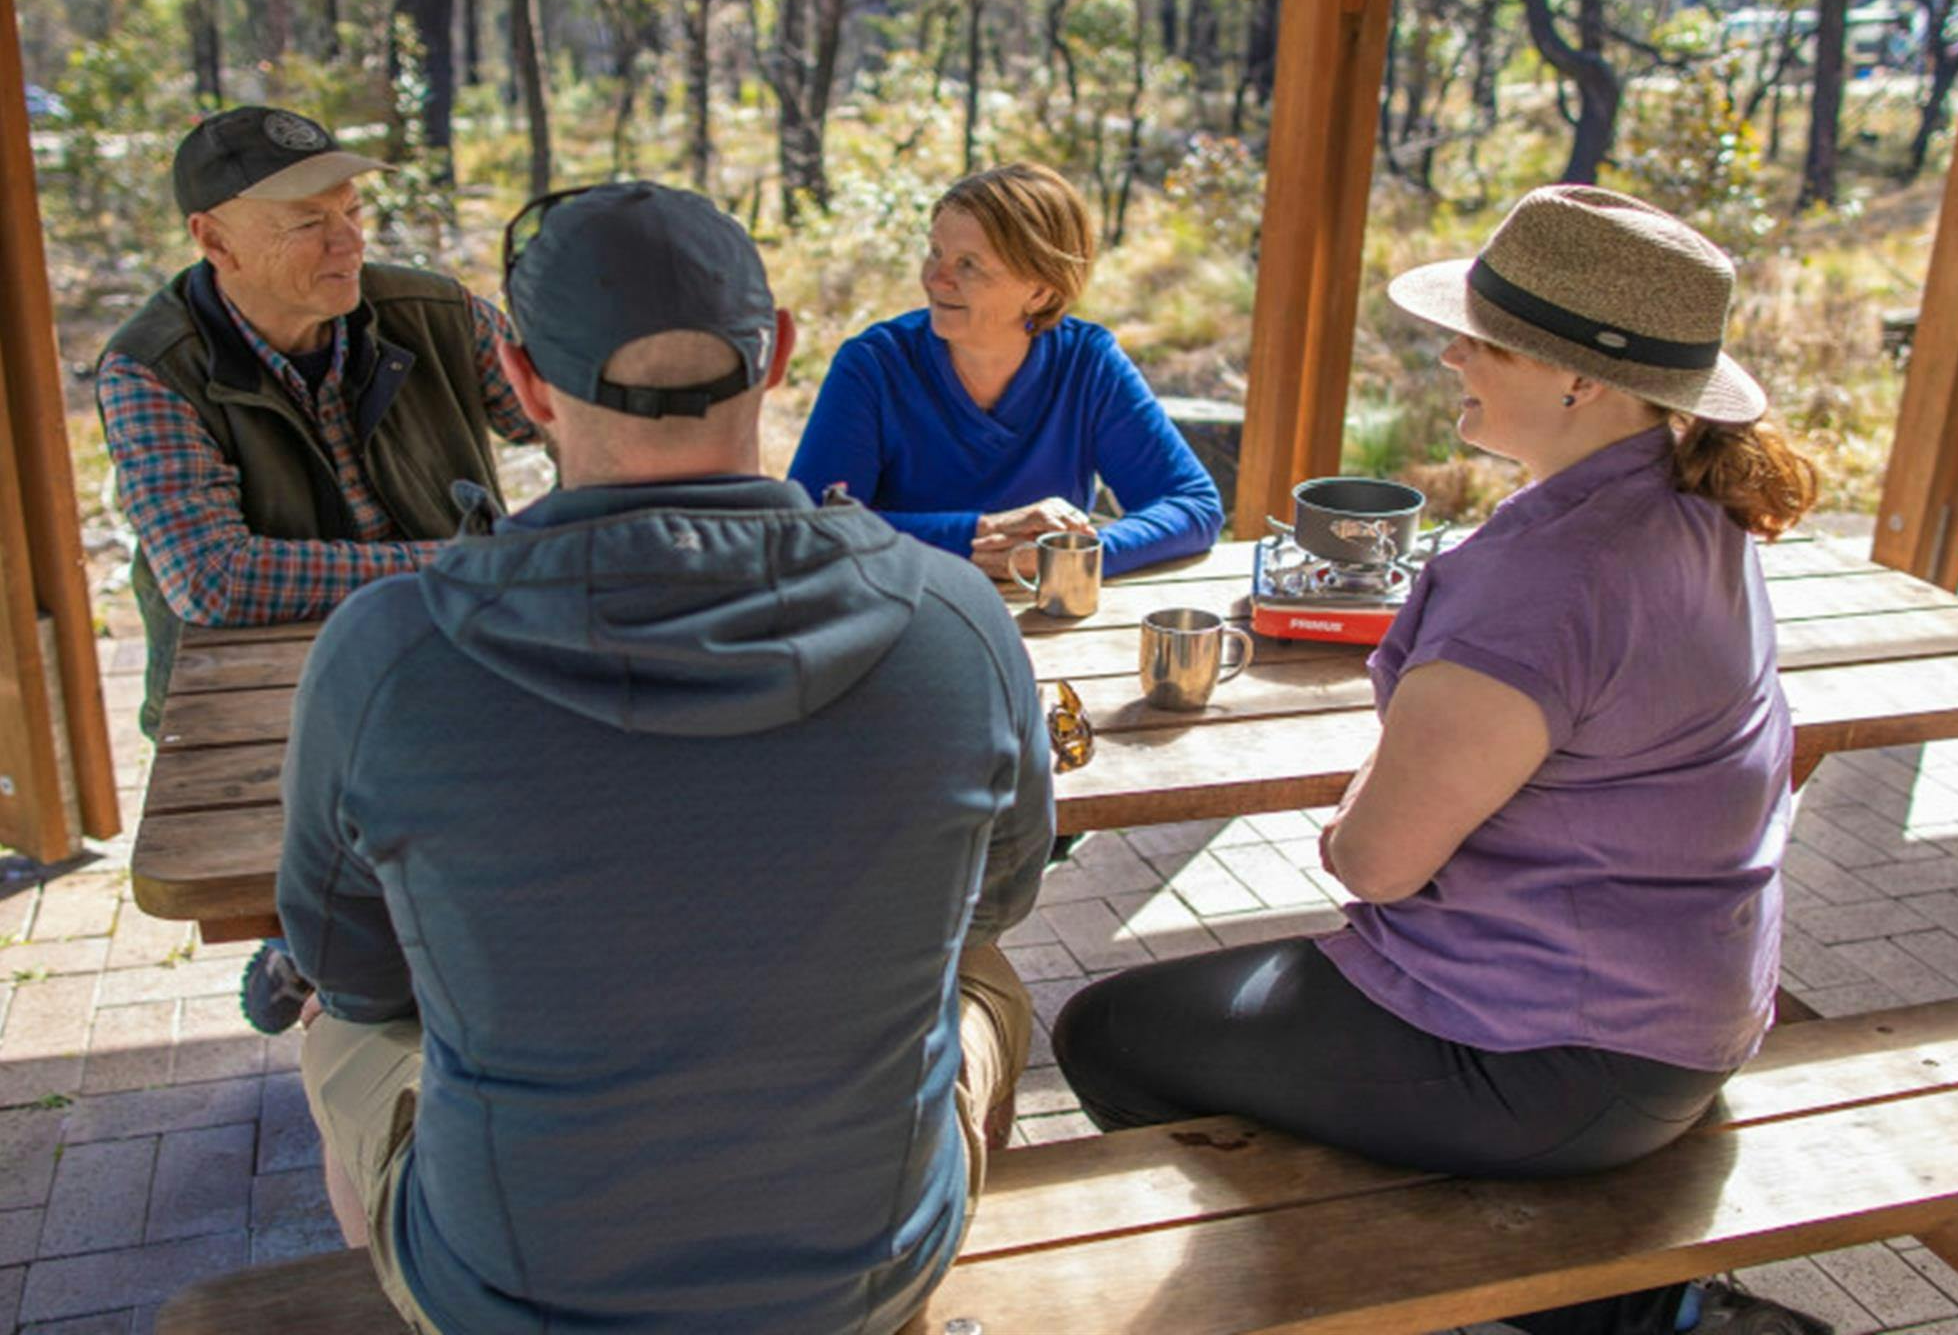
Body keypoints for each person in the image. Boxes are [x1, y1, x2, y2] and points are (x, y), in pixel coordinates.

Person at [277, 181, 1053, 1335]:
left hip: (518, 1294)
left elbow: (351, 969)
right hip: (866, 1274)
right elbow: (997, 895)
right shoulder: (957, 623)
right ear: (779, 352)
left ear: (525, 377)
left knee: (330, 1026)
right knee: (982, 974)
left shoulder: (386, 654)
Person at [1052, 186, 1830, 1335]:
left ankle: (1425, 1297)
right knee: (1248, 1042)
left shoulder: (1545, 581)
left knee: (1108, 1034)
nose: (1449, 355)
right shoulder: (1687, 506)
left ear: (1581, 378)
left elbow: (1373, 863)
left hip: (1545, 1059)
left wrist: (1351, 817)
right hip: (1682, 1017)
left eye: (1482, 337)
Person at [97, 105, 537, 1036]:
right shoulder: (149, 368)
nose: (347, 243)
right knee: (343, 832)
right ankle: (326, 942)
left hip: (444, 646)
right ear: (213, 240)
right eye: (307, 224)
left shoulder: (437, 310)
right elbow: (212, 580)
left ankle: (346, 953)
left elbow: (574, 413)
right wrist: (459, 563)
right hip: (264, 693)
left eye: (349, 212)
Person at [788, 160, 1223, 582]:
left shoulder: (1087, 363)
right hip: (901, 612)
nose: (936, 279)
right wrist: (977, 536)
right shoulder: (873, 366)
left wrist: (1072, 558)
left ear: (1039, 291)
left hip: (1047, 623)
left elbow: (1192, 505)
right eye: (936, 252)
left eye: (968, 264)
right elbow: (810, 529)